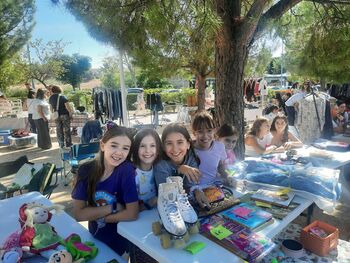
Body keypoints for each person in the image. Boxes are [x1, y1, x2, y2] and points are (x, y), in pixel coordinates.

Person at [71, 126, 139, 256]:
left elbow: (132, 213)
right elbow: (79, 214)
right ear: (102, 145)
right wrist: (113, 207)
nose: (119, 152)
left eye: (125, 148)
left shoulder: (126, 170)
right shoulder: (85, 170)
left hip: (121, 240)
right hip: (94, 237)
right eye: (114, 145)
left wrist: (102, 219)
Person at [154, 123, 200, 188]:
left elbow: (192, 186)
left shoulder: (191, 158)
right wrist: (178, 170)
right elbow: (167, 193)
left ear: (188, 145)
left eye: (180, 142)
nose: (175, 149)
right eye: (169, 143)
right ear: (163, 147)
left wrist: (197, 190)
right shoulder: (161, 165)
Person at [131, 128, 162, 211]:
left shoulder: (159, 168)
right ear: (136, 149)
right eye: (142, 146)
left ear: (158, 149)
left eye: (152, 145)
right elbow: (127, 209)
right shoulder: (130, 173)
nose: (147, 151)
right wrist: (149, 204)